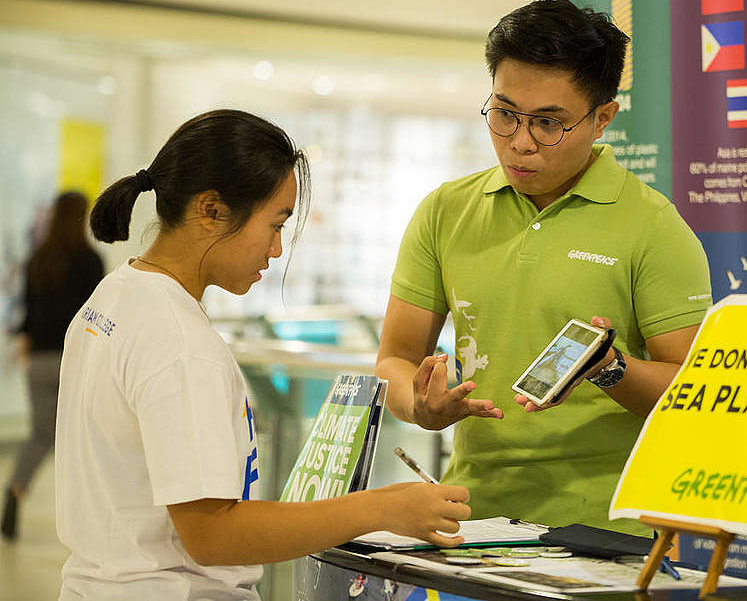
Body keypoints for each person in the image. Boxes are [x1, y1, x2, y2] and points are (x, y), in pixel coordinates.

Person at [55, 110, 470, 599]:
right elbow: (213, 535)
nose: (275, 250)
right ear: (210, 209)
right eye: (275, 225)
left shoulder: (115, 294)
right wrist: (383, 509)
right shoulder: (179, 342)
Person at [376, 0, 712, 534]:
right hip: (470, 519)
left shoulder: (654, 227)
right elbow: (395, 357)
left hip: (606, 533)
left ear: (602, 119)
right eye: (504, 114)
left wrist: (609, 368)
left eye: (548, 124)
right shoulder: (445, 210)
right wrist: (420, 406)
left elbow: (691, 393)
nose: (519, 143)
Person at [1, 191, 104, 540]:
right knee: (84, 438)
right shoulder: (90, 260)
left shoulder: (37, 259)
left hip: (40, 360)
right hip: (75, 360)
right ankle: (86, 517)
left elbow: (27, 313)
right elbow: (94, 317)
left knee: (40, 434)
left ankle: (15, 490)